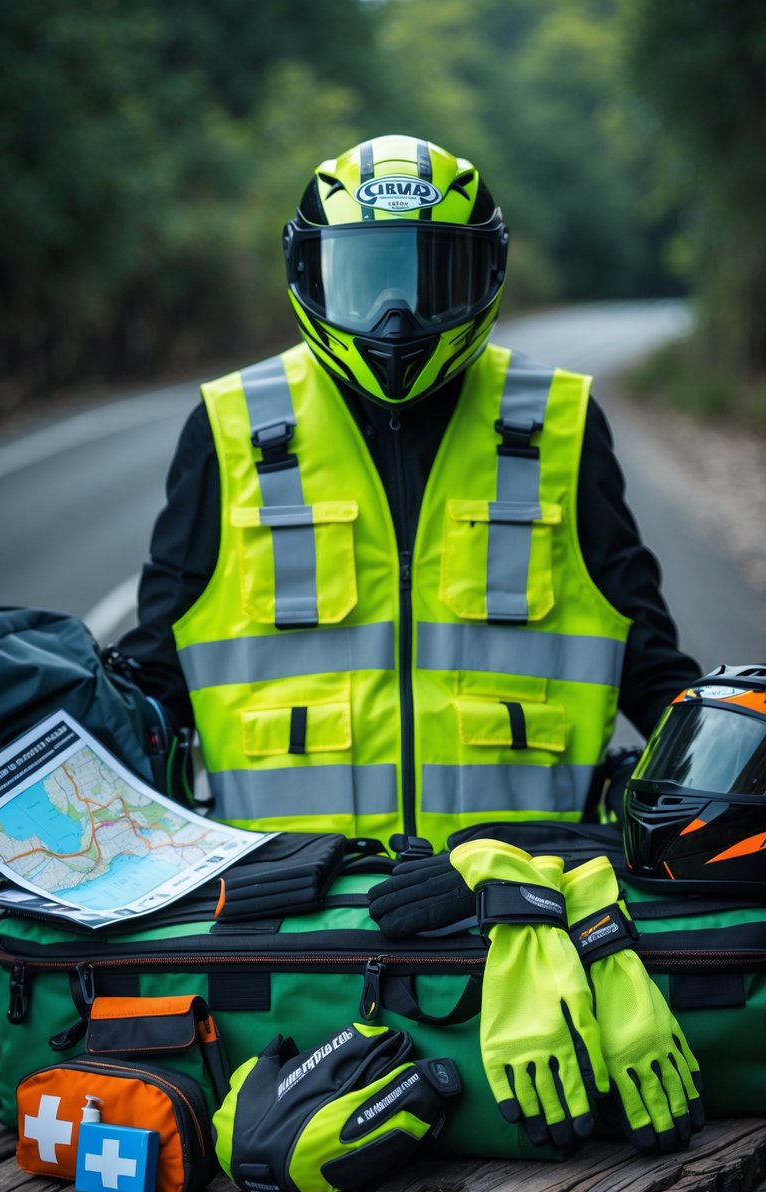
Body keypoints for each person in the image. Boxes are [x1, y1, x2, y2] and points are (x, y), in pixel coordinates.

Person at [118, 133, 700, 850]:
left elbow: (652, 669)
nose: (396, 317)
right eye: (364, 280)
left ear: (487, 272)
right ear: (308, 273)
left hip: (516, 907)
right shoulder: (231, 425)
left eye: (431, 278)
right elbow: (151, 686)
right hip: (288, 919)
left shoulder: (560, 424)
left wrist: (729, 757)